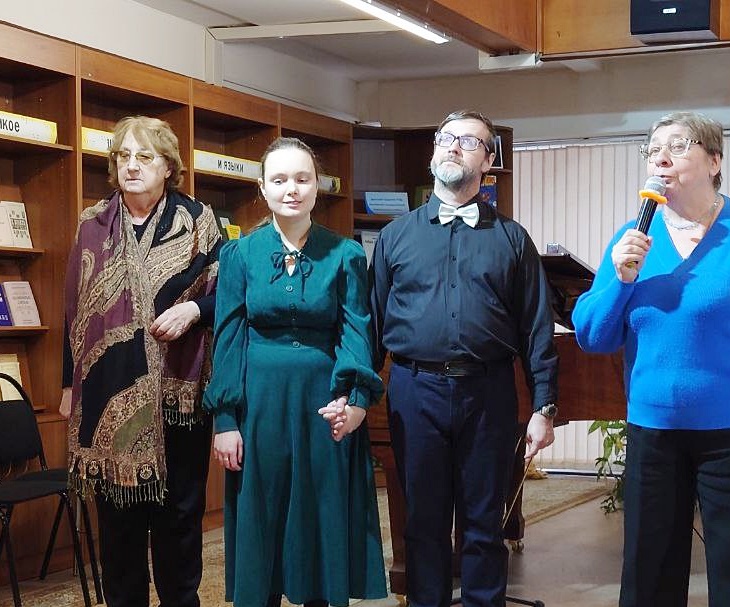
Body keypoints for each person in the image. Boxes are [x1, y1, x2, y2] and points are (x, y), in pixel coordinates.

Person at [572, 111, 730, 606]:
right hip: (653, 435)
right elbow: (594, 337)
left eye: (678, 145)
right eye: (652, 149)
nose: (660, 157)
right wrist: (621, 281)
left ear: (714, 161)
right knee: (648, 578)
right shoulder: (632, 238)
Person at [369, 109, 559, 607]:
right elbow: (373, 325)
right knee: (423, 522)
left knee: (483, 523)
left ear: (489, 161)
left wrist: (544, 406)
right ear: (434, 149)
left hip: (488, 393)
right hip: (414, 392)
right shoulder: (394, 237)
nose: (454, 146)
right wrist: (356, 395)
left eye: (470, 141)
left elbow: (536, 328)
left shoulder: (513, 240)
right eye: (447, 138)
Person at [204, 136, 387, 607]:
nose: (292, 189)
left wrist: (356, 402)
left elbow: (356, 330)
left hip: (324, 403)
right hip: (258, 405)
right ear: (263, 188)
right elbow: (227, 337)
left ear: (316, 187)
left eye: (302, 179)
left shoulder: (345, 254)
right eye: (280, 179)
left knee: (319, 516)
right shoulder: (239, 255)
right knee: (261, 516)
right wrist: (224, 420)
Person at [61, 115, 222, 607]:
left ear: (168, 166)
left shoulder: (197, 221)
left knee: (179, 523)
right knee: (118, 533)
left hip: (178, 398)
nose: (131, 166)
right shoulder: (92, 225)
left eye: (144, 156)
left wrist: (195, 311)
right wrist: (68, 385)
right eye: (123, 156)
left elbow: (228, 293)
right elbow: (73, 309)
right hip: (106, 396)